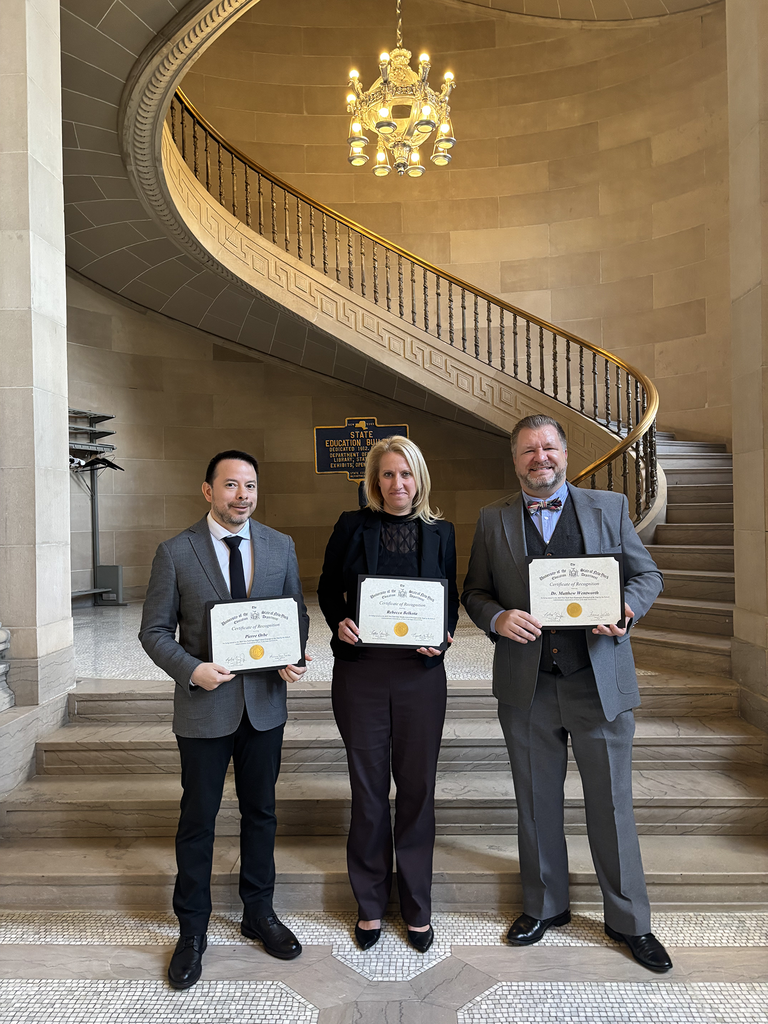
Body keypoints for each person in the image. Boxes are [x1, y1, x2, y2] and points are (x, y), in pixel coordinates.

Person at [462, 414, 673, 973]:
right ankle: (545, 906)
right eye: (529, 450)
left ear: (564, 453)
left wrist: (626, 609)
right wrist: (497, 616)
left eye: (549, 448)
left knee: (611, 807)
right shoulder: (493, 519)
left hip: (597, 683)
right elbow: (474, 590)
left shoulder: (608, 509)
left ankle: (629, 921)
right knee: (535, 804)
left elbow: (646, 575)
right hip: (527, 688)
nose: (540, 458)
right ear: (515, 460)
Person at [139, 450, 309, 989]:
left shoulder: (280, 546)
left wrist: (294, 653)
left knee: (262, 814)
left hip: (264, 706)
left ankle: (259, 912)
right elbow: (154, 631)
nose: (243, 495)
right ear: (208, 491)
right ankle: (192, 929)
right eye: (232, 485)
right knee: (199, 821)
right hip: (204, 707)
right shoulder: (176, 551)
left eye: (251, 486)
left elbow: (295, 613)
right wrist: (192, 670)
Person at [318, 436, 459, 953]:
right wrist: (341, 624)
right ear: (374, 482)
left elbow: (451, 598)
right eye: (387, 475)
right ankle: (371, 903)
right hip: (363, 673)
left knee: (418, 789)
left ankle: (417, 904)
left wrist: (444, 634)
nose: (397, 484)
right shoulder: (351, 525)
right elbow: (328, 587)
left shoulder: (440, 531)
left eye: (406, 475)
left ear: (419, 478)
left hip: (421, 674)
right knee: (370, 789)